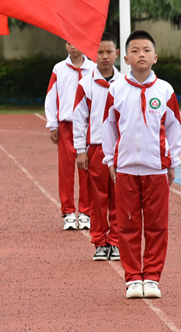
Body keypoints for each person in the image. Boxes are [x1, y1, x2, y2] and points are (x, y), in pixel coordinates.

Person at [102, 30, 181, 300]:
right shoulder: (116, 89)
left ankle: (152, 277)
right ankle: (133, 278)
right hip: (125, 169)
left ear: (155, 57)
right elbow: (109, 126)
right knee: (127, 225)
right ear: (125, 58)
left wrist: (173, 161)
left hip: (156, 169)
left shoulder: (165, 90)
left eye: (146, 50)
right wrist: (110, 160)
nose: (141, 55)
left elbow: (174, 128)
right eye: (135, 51)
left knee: (157, 225)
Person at [73, 33, 123, 261]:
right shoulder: (85, 85)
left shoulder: (125, 83)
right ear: (93, 54)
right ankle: (100, 241)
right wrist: (80, 149)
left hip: (120, 150)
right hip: (96, 148)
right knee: (98, 197)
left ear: (117, 54)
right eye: (100, 52)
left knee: (119, 197)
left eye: (109, 52)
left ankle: (115, 241)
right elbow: (79, 118)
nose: (104, 56)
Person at [45, 42, 96, 230]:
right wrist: (53, 124)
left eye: (77, 42)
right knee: (65, 171)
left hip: (87, 125)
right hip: (66, 125)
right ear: (65, 46)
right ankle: (68, 213)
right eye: (68, 42)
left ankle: (85, 212)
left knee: (86, 169)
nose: (73, 46)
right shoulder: (59, 69)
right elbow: (51, 96)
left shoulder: (93, 68)